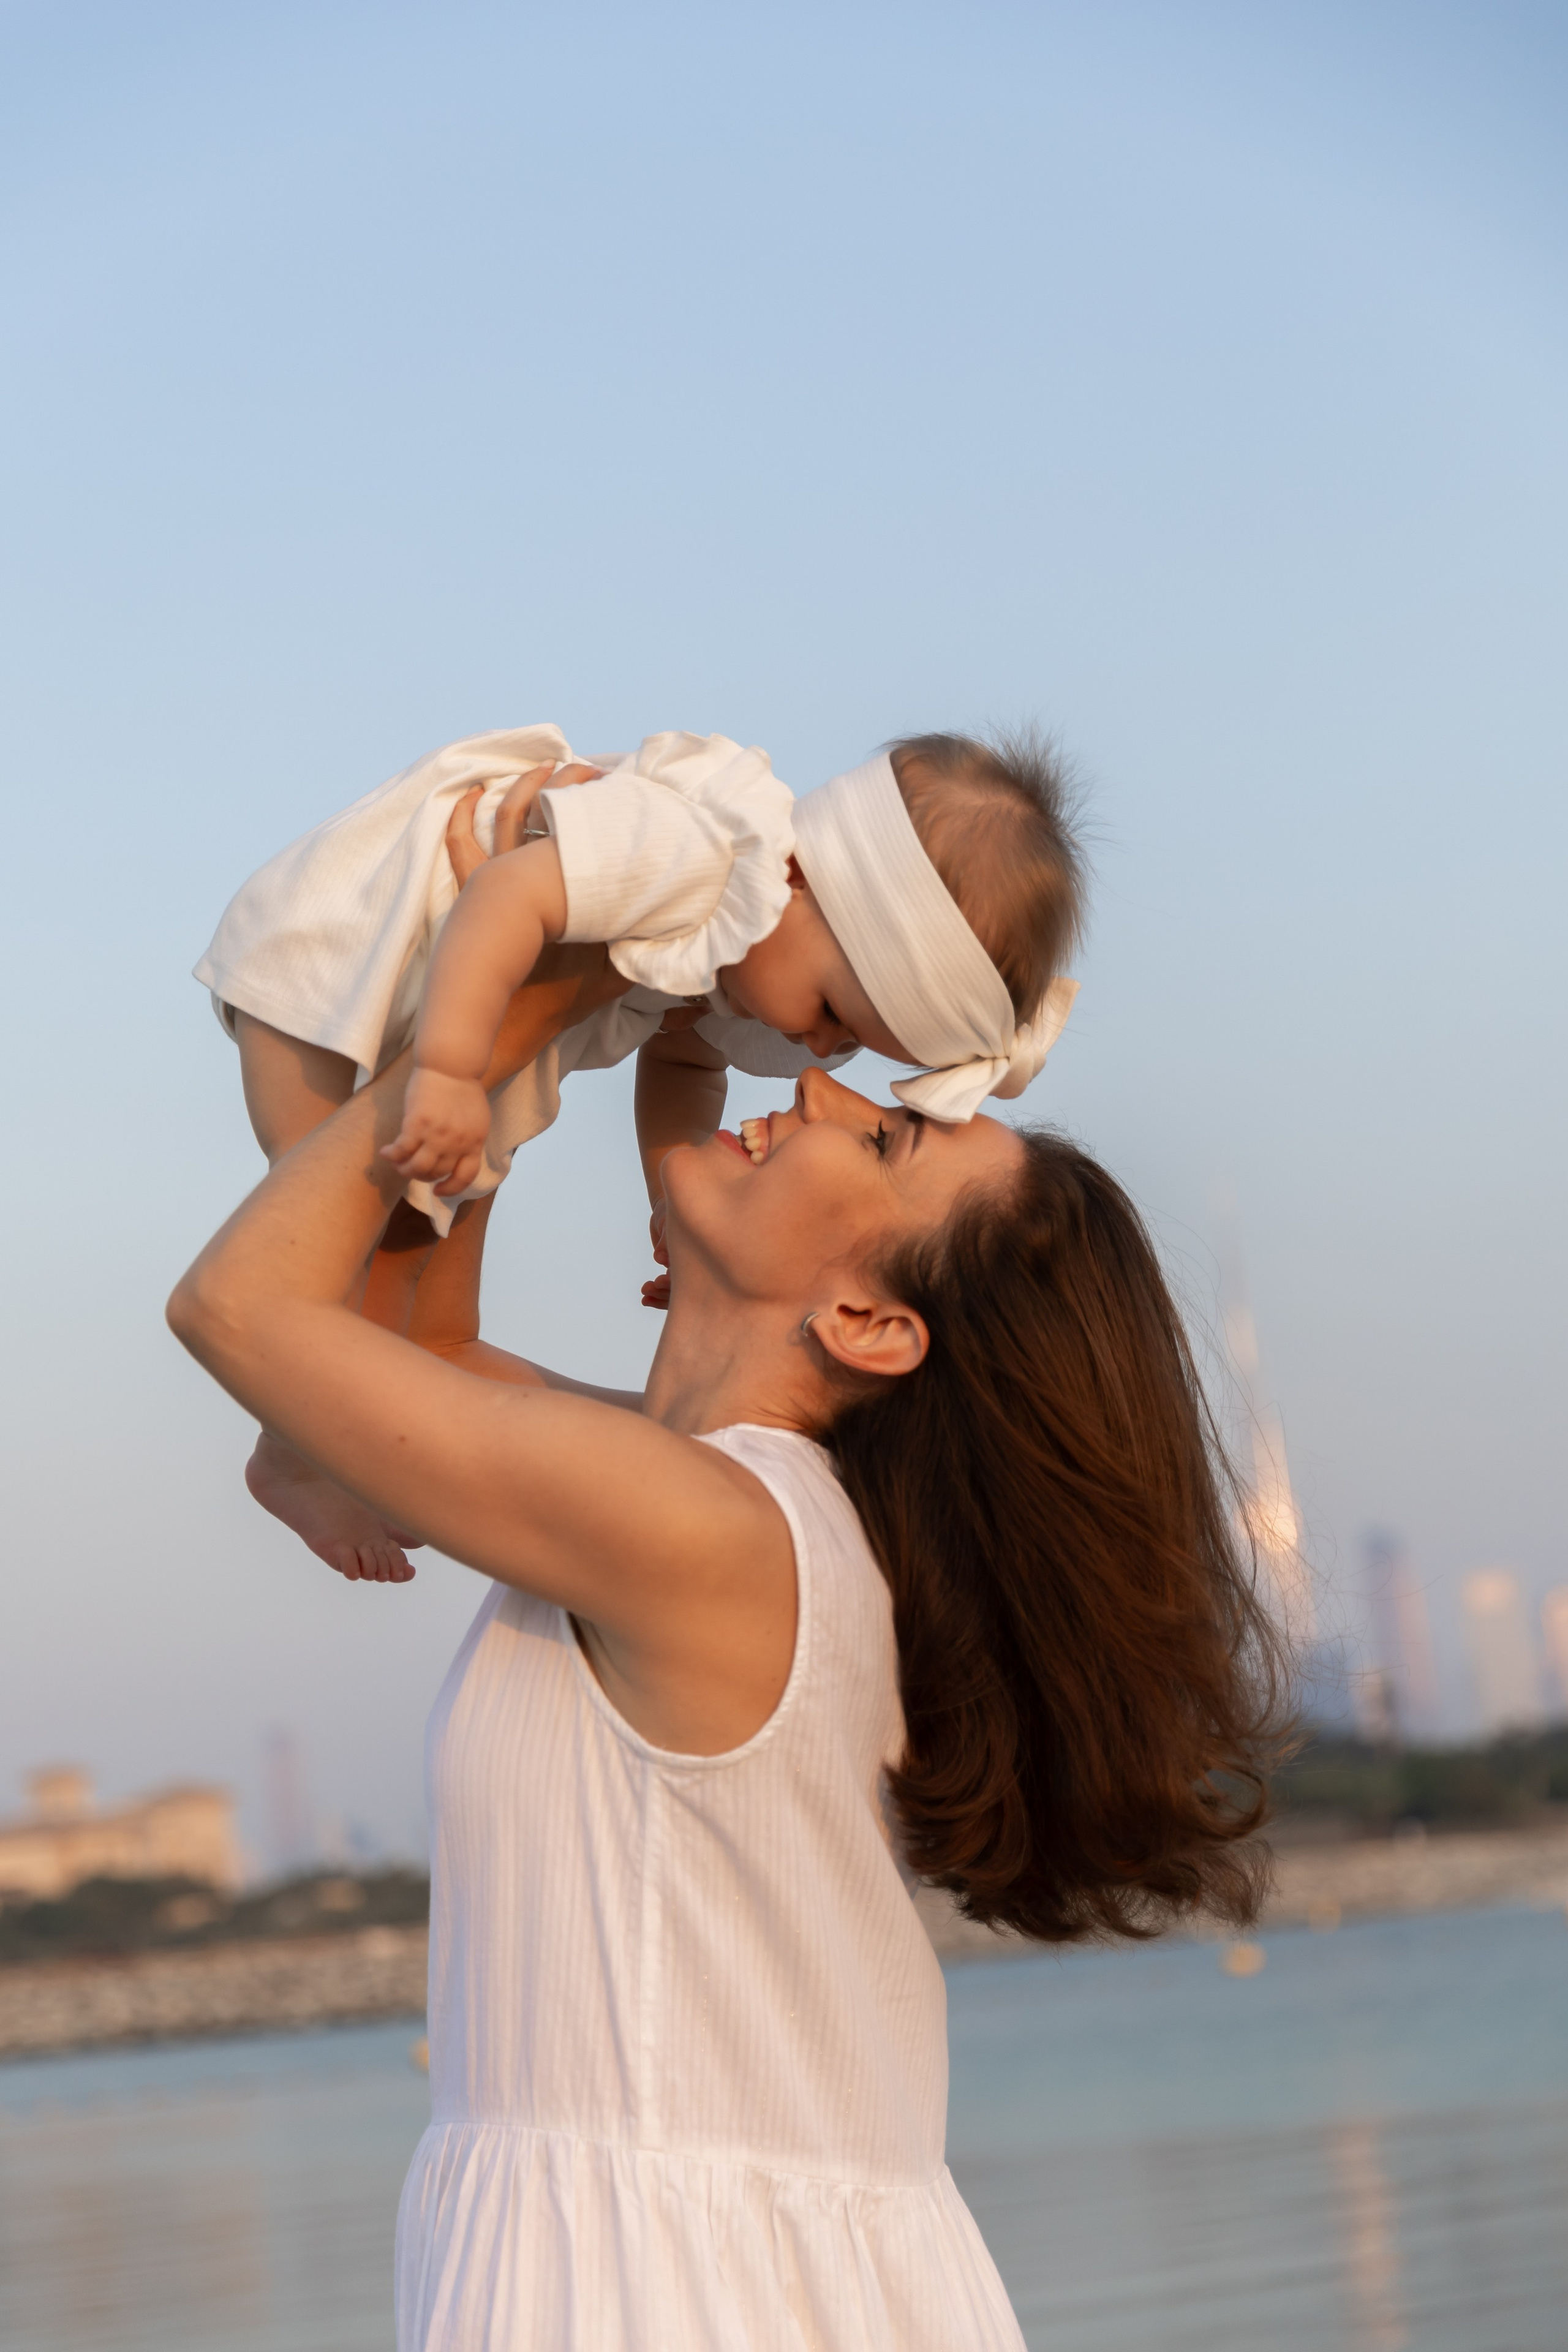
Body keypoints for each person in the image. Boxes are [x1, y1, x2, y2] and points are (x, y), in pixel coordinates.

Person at [168, 976, 1286, 2351]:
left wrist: (508, 1018)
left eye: (881, 1142)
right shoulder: (714, 1509)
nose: (818, 1089)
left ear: (872, 1325)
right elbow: (425, 1351)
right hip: (693, 2270)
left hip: (678, 2292)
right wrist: (529, 1038)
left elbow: (237, 1310)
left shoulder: (707, 1534)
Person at [195, 723, 1084, 1581]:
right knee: (323, 1238)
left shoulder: (763, 945)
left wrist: (673, 1194)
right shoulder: (696, 854)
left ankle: (310, 1451)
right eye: (835, 1018)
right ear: (806, 879)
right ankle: (302, 1452)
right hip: (347, 958)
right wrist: (452, 1068)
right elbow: (503, 893)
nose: (819, 1062)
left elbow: (686, 1054)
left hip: (460, 1030)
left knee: (385, 1268)